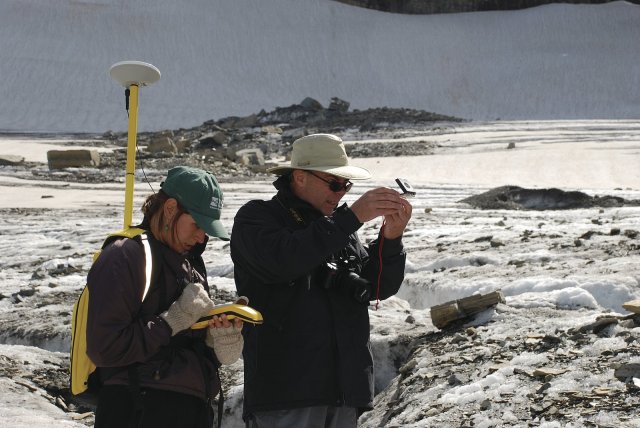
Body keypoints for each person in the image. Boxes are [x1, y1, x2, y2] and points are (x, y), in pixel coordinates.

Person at [230, 134, 413, 427]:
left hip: (343, 392)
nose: (341, 193)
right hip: (287, 392)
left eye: (346, 185)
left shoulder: (340, 229)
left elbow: (376, 288)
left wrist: (391, 239)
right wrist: (349, 219)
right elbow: (285, 260)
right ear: (300, 177)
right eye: (334, 183)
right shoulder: (258, 218)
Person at [86, 166, 244, 428]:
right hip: (136, 409)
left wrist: (218, 344)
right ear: (170, 208)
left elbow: (182, 342)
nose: (201, 236)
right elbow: (105, 348)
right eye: (197, 224)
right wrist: (171, 321)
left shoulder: (190, 262)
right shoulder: (125, 256)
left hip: (191, 407)